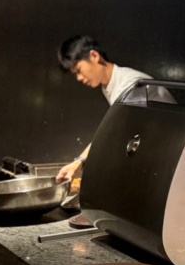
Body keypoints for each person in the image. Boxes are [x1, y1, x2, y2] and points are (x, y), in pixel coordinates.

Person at [55, 35, 170, 183]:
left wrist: (80, 161)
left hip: (169, 153)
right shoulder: (108, 85)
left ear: (94, 56)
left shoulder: (130, 83)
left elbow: (119, 129)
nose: (79, 78)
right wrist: (80, 162)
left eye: (79, 70)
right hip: (154, 149)